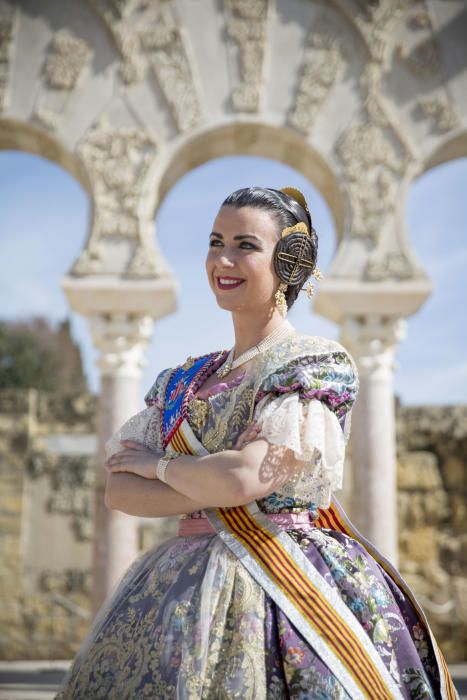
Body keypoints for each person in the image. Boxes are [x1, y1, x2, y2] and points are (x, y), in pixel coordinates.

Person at [55, 187, 457, 700]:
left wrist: (160, 467)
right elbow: (119, 491)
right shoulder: (183, 379)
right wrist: (215, 481)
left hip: (285, 587)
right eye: (215, 241)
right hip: (177, 593)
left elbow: (248, 477)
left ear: (288, 261)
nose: (222, 259)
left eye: (245, 244)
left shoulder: (311, 365)